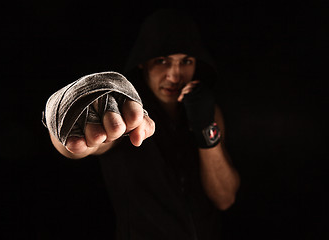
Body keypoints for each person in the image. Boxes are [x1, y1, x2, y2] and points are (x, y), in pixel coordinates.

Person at [44, 9, 240, 240]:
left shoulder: (207, 110)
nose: (175, 75)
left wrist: (205, 127)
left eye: (185, 61)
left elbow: (225, 198)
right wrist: (67, 115)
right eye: (162, 61)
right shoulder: (126, 110)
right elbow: (82, 144)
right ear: (143, 64)